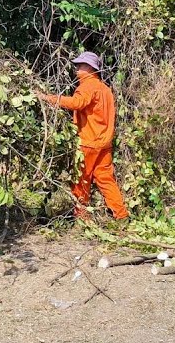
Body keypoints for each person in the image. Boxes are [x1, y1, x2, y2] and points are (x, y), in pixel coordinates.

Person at [36, 51, 129, 222]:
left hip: (89, 142)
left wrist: (47, 98)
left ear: (90, 68)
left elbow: (76, 103)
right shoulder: (106, 89)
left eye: (80, 66)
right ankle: (121, 216)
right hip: (104, 143)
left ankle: (82, 217)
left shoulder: (88, 86)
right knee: (106, 180)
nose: (76, 69)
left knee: (81, 180)